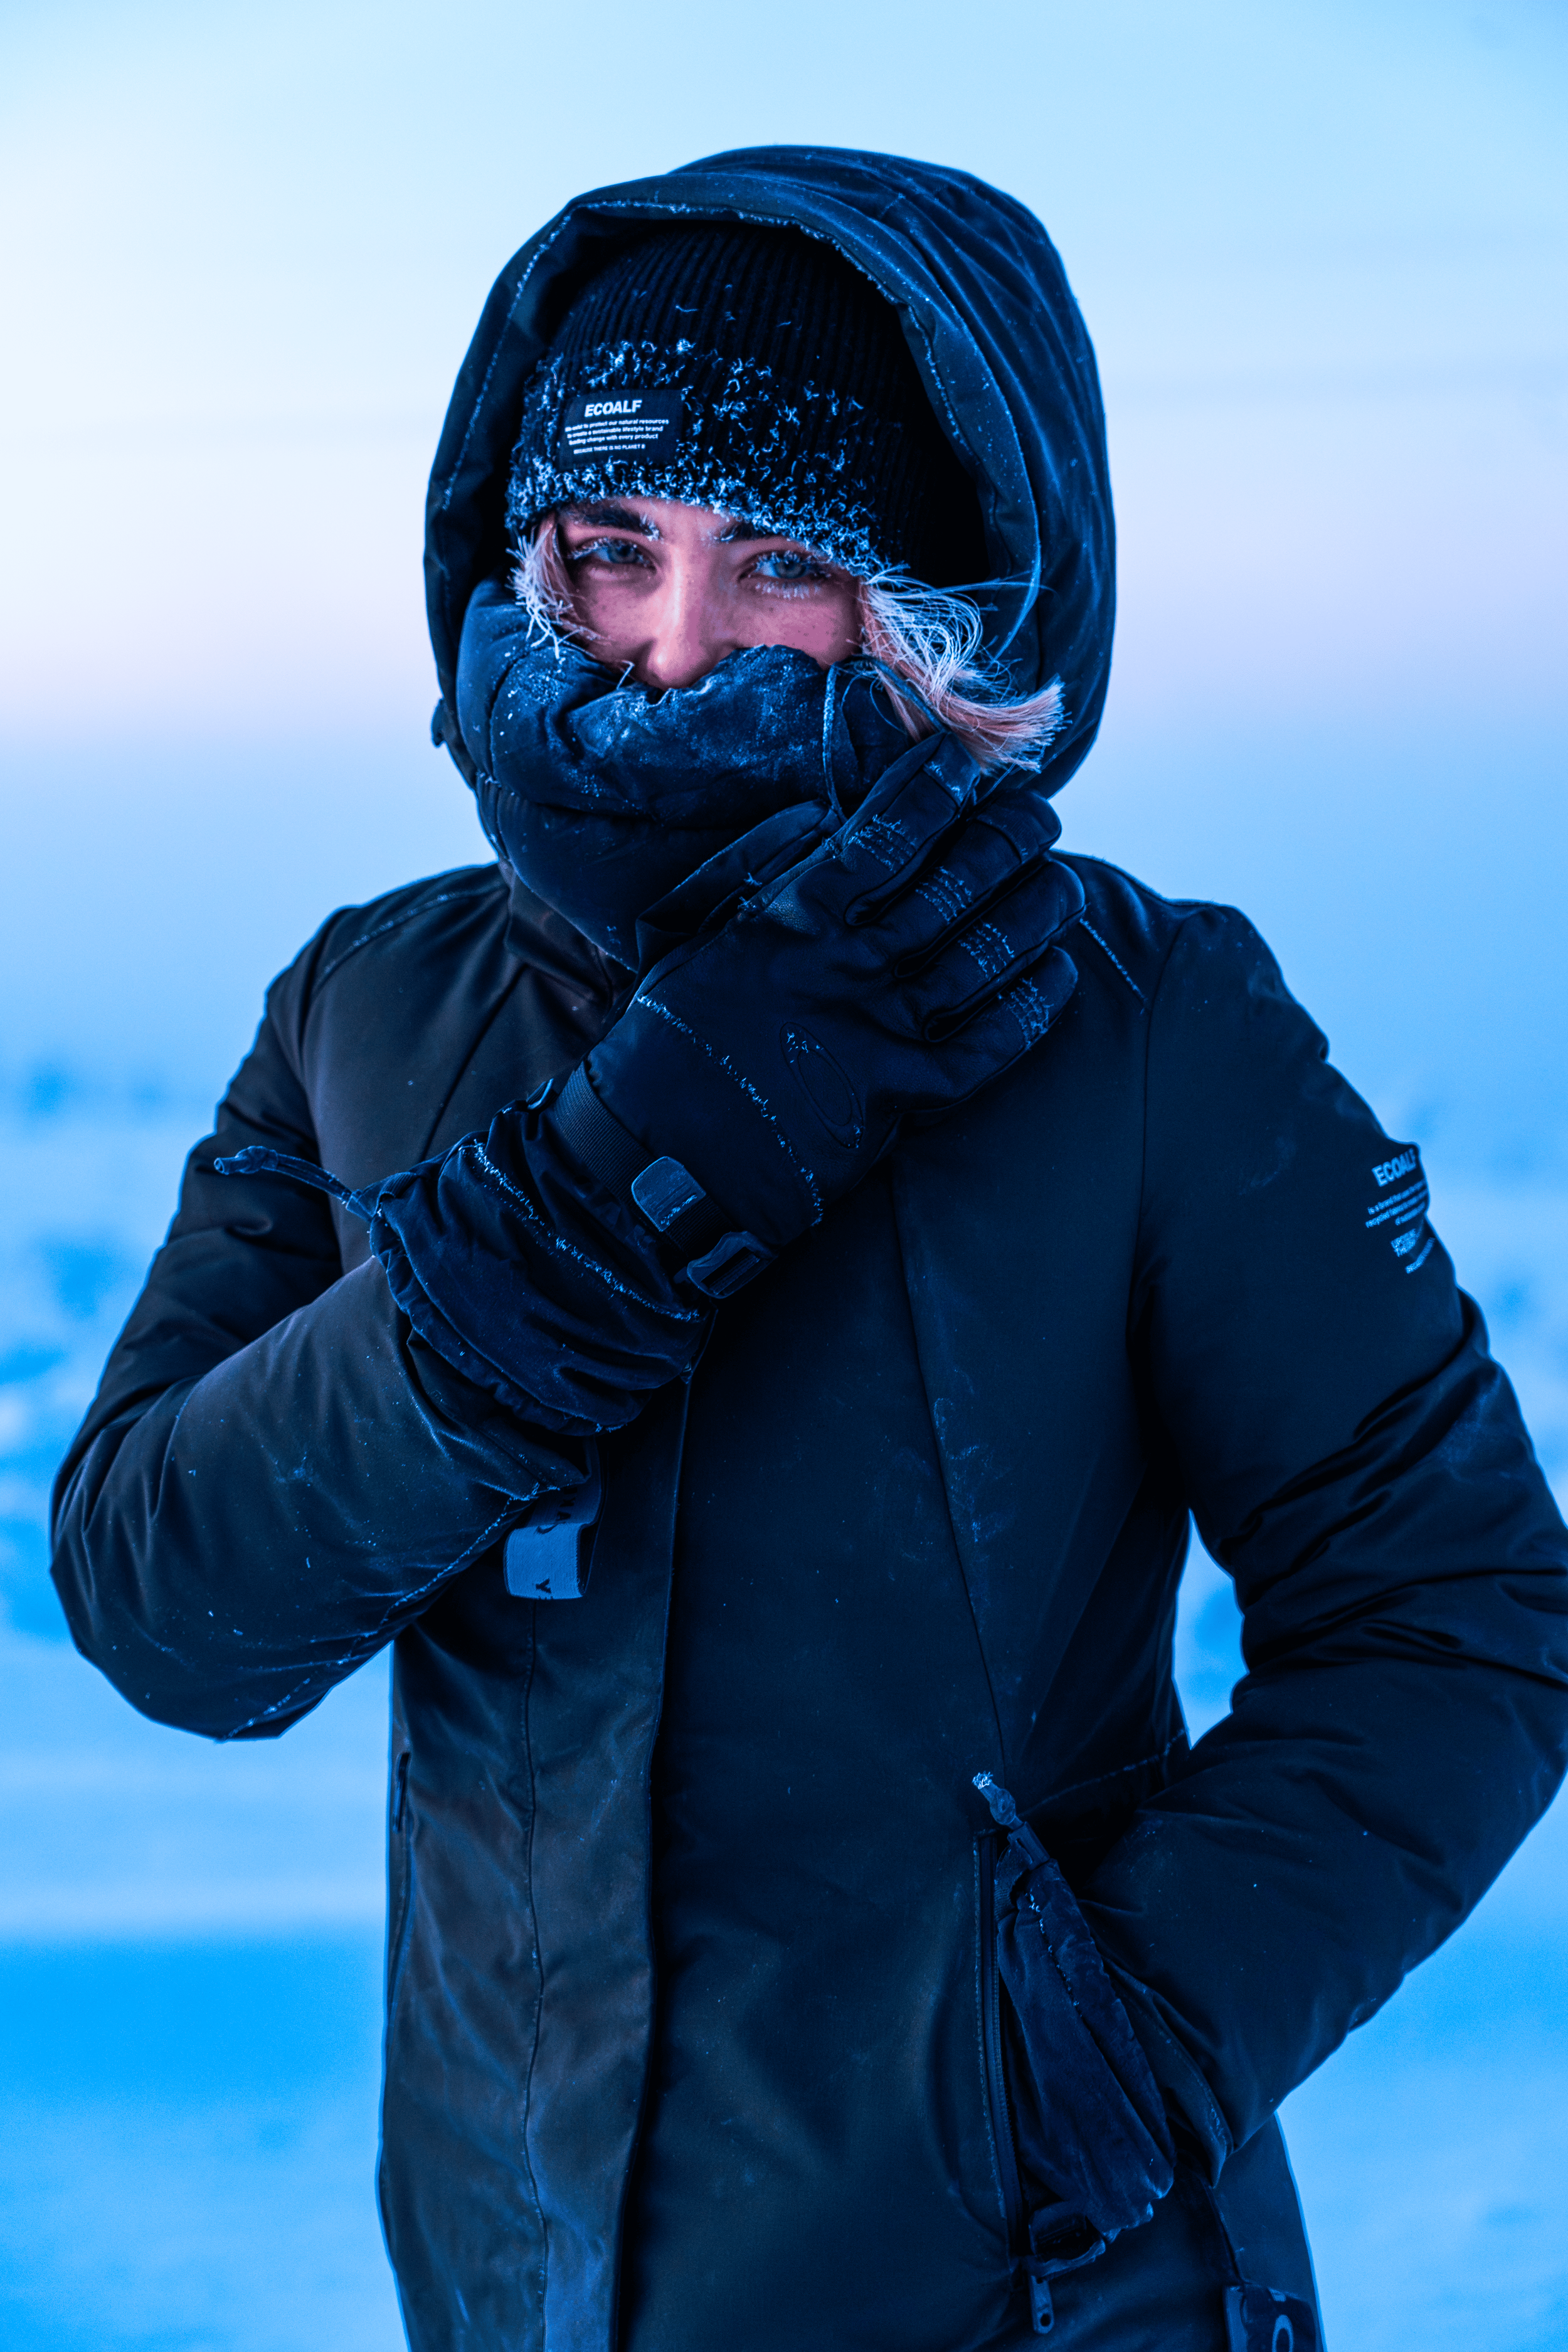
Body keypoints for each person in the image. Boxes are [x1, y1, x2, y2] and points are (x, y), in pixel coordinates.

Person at [50, 147, 1568, 2352]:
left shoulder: (1141, 1027)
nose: (670, 648)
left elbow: (1459, 1610)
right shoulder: (368, 1009)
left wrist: (1097, 2056)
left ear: (939, 599)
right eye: (609, 549)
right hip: (510, 2293)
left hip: (1048, 2295)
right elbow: (166, 1605)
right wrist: (587, 1212)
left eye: (775, 560)